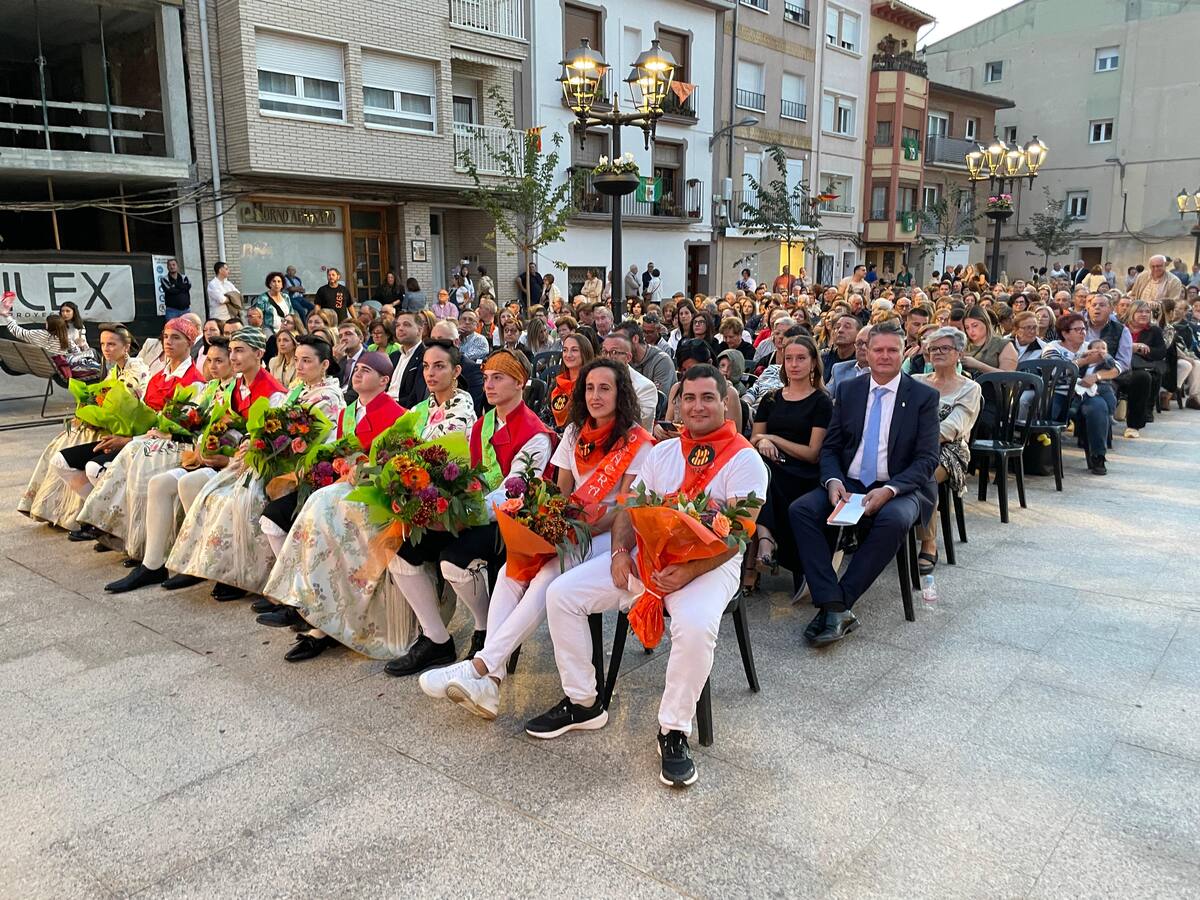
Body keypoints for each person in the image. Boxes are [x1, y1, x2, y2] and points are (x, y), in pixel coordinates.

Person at [527, 364, 766, 787]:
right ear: (677, 403)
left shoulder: (746, 460)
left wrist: (690, 570)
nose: (696, 406)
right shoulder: (662, 452)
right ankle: (584, 702)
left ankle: (673, 730)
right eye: (688, 398)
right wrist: (620, 552)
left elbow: (738, 536)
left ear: (725, 403)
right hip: (648, 556)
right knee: (561, 593)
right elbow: (628, 509)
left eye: (707, 398)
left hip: (709, 565)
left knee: (693, 626)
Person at [419, 358, 653, 718]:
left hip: (612, 536)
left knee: (546, 576)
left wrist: (571, 532)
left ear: (621, 394)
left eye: (605, 388)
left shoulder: (638, 442)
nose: (595, 395)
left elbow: (625, 510)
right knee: (514, 570)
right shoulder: (574, 433)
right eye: (589, 388)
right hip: (573, 530)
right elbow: (559, 493)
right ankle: (490, 685)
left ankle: (481, 668)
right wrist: (546, 527)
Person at [385, 349, 553, 676]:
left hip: (509, 519)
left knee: (454, 561)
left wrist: (460, 513)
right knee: (401, 552)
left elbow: (512, 490)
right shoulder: (481, 425)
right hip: (470, 508)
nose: (488, 385)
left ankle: (486, 630)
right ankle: (436, 639)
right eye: (487, 377)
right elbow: (458, 467)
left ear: (520, 383)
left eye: (498, 378)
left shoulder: (534, 434)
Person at [162, 336, 345, 603]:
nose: (300, 366)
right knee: (213, 494)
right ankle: (220, 569)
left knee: (241, 500)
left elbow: (313, 442)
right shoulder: (297, 389)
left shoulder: (328, 397)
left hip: (294, 467)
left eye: (307, 361)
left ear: (325, 364)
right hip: (270, 459)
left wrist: (263, 447)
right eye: (297, 360)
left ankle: (249, 577)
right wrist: (252, 441)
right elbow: (268, 424)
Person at [788, 325, 940, 646]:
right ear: (867, 352)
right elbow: (830, 447)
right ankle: (833, 604)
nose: (884, 356)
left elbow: (927, 460)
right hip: (850, 482)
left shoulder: (923, 397)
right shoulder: (849, 390)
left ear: (904, 352)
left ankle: (840, 602)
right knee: (801, 510)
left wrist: (890, 491)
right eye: (878, 350)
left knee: (894, 519)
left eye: (892, 350)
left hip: (900, 485)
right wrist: (832, 481)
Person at [68, 318, 206, 550]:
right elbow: (143, 410)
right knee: (73, 459)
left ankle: (119, 531)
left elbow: (182, 429)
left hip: (168, 443)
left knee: (104, 468)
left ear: (189, 342)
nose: (168, 342)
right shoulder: (158, 375)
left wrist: (130, 439)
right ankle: (112, 526)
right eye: (166, 337)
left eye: (176, 338)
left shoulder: (194, 381)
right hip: (144, 437)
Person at [19, 324, 150, 531]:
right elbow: (102, 399)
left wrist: (96, 415)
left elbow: (122, 401)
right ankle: (80, 513)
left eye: (112, 344)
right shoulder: (114, 369)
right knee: (63, 441)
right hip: (110, 424)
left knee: (77, 441)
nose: (106, 349)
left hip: (128, 430)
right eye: (103, 344)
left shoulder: (137, 368)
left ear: (126, 347)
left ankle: (94, 517)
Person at [750, 335, 832, 591]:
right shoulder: (771, 398)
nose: (794, 364)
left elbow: (812, 453)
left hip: (803, 471)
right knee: (760, 468)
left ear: (813, 363)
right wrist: (762, 442)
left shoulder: (821, 401)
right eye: (788, 359)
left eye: (801, 358)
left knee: (765, 473)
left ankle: (765, 540)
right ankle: (765, 538)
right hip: (771, 466)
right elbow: (754, 439)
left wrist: (772, 438)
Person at [911, 328, 982, 574]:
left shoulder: (970, 388)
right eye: (933, 349)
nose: (938, 352)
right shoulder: (917, 380)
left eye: (945, 348)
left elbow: (953, 428)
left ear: (959, 353)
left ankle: (929, 543)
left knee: (924, 474)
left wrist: (912, 441)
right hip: (910, 445)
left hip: (949, 451)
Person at [1043, 313, 1115, 474]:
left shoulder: (1091, 347)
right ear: (1065, 333)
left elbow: (1116, 368)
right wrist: (1082, 362)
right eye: (1077, 329)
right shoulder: (1053, 348)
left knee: (1098, 407)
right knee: (1048, 411)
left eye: (1084, 329)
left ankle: (1098, 456)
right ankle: (1044, 458)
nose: (1082, 332)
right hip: (1059, 393)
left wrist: (1096, 376)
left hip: (1085, 393)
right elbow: (1054, 372)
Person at [1084, 293, 1150, 439]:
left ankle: (1133, 425)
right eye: (1094, 305)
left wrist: (1100, 375)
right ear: (1088, 308)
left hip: (1113, 372)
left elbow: (1124, 362)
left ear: (1111, 309)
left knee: (1142, 377)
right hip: (1082, 371)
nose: (1097, 308)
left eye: (1102, 305)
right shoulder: (1079, 326)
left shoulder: (1120, 330)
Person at [660, 340, 742, 437]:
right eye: (684, 370)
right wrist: (661, 430)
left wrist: (687, 436)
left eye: (693, 369)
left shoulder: (729, 393)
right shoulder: (676, 388)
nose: (688, 374)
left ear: (709, 363)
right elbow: (669, 423)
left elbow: (733, 436)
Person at [599, 332, 658, 430]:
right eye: (604, 352)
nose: (608, 357)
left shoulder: (646, 387)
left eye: (614, 352)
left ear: (628, 357)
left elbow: (635, 424)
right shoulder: (595, 382)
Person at [617, 320, 674, 399]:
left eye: (621, 341)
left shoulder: (662, 361)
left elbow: (657, 400)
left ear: (635, 339)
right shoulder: (624, 360)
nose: (618, 346)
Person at [549, 332, 593, 429]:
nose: (568, 355)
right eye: (565, 350)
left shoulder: (590, 385)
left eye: (574, 350)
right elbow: (546, 416)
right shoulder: (556, 383)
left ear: (584, 353)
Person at [385, 311, 426, 408]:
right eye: (398, 325)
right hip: (385, 404)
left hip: (404, 410)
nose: (400, 329)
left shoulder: (425, 356)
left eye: (406, 325)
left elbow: (416, 397)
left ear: (420, 331)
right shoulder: (394, 356)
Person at [961, 305, 1018, 375]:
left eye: (975, 325)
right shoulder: (962, 345)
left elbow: (1008, 376)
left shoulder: (1003, 345)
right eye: (967, 327)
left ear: (986, 323)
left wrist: (978, 365)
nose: (971, 331)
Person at [334, 320, 366, 399]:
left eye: (348, 334)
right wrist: (335, 361)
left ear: (361, 338)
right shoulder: (341, 360)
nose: (343, 338)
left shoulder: (369, 359)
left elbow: (358, 392)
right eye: (340, 336)